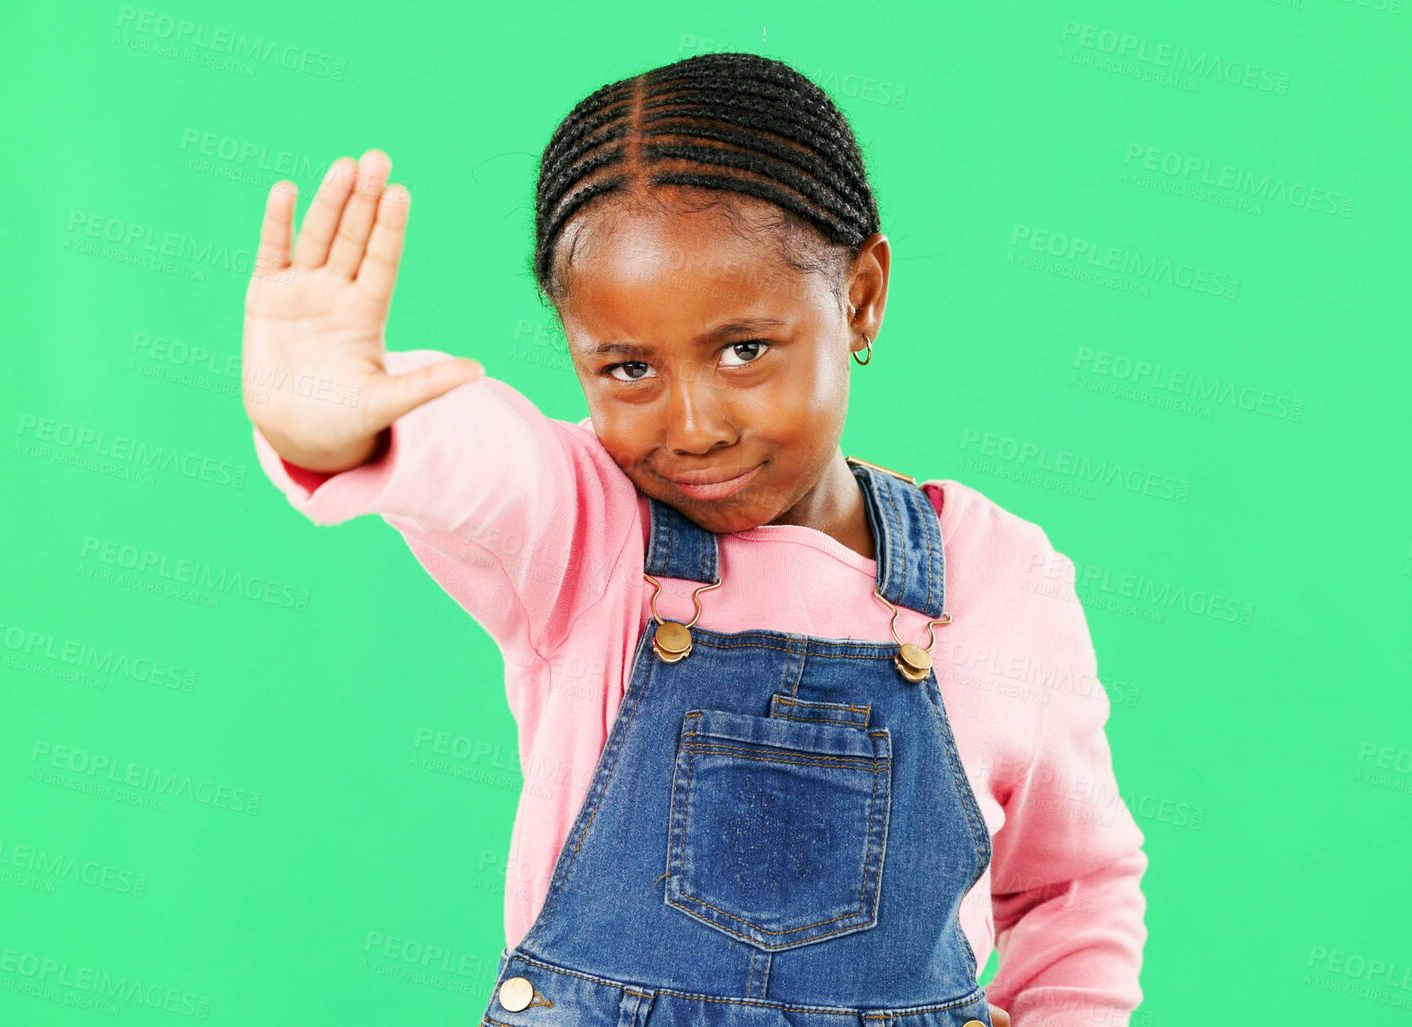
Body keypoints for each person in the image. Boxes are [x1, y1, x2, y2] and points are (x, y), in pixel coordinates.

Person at [242, 51, 1147, 1027]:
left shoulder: (998, 576)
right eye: (628, 367)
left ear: (861, 296)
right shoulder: (586, 531)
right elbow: (478, 450)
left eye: (744, 349)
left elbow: (1075, 884)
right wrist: (342, 420)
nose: (694, 422)